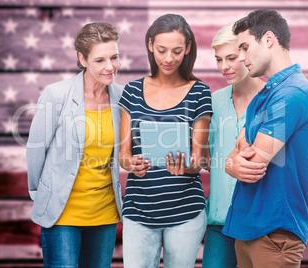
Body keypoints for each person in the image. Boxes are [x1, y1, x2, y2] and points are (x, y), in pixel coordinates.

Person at [202, 21, 308, 268]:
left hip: (270, 219)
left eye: (236, 54)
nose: (227, 65)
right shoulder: (224, 100)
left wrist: (275, 150)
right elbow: (223, 153)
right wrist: (229, 161)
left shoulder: (285, 95)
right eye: (218, 59)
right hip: (230, 217)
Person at [118, 14, 212, 268]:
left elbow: (199, 159)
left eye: (177, 51)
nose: (169, 58)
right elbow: (123, 154)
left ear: (188, 48)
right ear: (150, 45)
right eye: (161, 50)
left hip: (185, 212)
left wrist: (187, 166)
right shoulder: (132, 91)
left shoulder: (199, 92)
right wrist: (131, 164)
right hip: (138, 211)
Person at [26, 22, 123, 268]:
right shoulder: (56, 94)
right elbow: (36, 147)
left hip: (104, 213)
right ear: (82, 59)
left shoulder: (122, 97)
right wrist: (40, 193)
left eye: (114, 57)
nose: (110, 66)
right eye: (100, 60)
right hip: (62, 213)